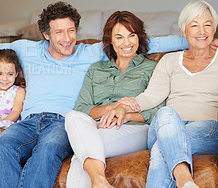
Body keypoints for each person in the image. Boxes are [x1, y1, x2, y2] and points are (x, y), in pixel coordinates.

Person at [0, 1, 218, 188]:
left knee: (49, 148)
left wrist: (200, 40)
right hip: (28, 120)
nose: (67, 38)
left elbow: (145, 43)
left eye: (71, 31)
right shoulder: (25, 49)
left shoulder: (90, 53)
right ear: (46, 34)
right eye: (58, 32)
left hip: (62, 122)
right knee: (2, 145)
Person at [104, 0, 218, 188]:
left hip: (207, 129)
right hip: (166, 125)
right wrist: (122, 106)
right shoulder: (169, 61)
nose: (202, 31)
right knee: (166, 113)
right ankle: (184, 180)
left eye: (207, 25)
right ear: (183, 31)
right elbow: (150, 96)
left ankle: (183, 179)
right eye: (194, 25)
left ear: (214, 29)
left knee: (162, 149)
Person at [64, 11, 165, 188]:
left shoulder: (152, 68)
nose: (127, 43)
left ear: (139, 37)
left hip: (133, 129)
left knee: (82, 154)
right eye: (119, 37)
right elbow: (82, 108)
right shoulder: (96, 69)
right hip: (96, 127)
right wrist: (115, 107)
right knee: (72, 116)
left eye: (132, 35)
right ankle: (100, 182)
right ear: (110, 40)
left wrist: (126, 114)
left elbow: (159, 111)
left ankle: (99, 182)